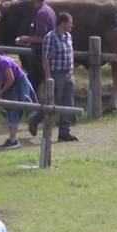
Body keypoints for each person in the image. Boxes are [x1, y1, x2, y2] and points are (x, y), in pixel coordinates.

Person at [29, 12, 78, 142]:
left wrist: (72, 69)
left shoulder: (68, 36)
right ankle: (35, 120)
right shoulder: (50, 37)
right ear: (62, 23)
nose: (72, 25)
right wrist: (48, 77)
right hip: (56, 74)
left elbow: (71, 52)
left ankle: (64, 131)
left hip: (68, 73)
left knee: (68, 102)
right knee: (53, 102)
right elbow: (45, 58)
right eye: (70, 22)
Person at [0, 51, 37, 149]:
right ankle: (12, 138)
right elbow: (5, 80)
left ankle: (13, 140)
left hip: (19, 85)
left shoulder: (3, 62)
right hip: (13, 86)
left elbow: (11, 79)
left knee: (14, 111)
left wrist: (2, 92)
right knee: (11, 112)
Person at [15, 0, 55, 90]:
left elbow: (42, 38)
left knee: (35, 84)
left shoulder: (41, 14)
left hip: (40, 55)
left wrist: (25, 39)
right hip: (48, 54)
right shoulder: (49, 10)